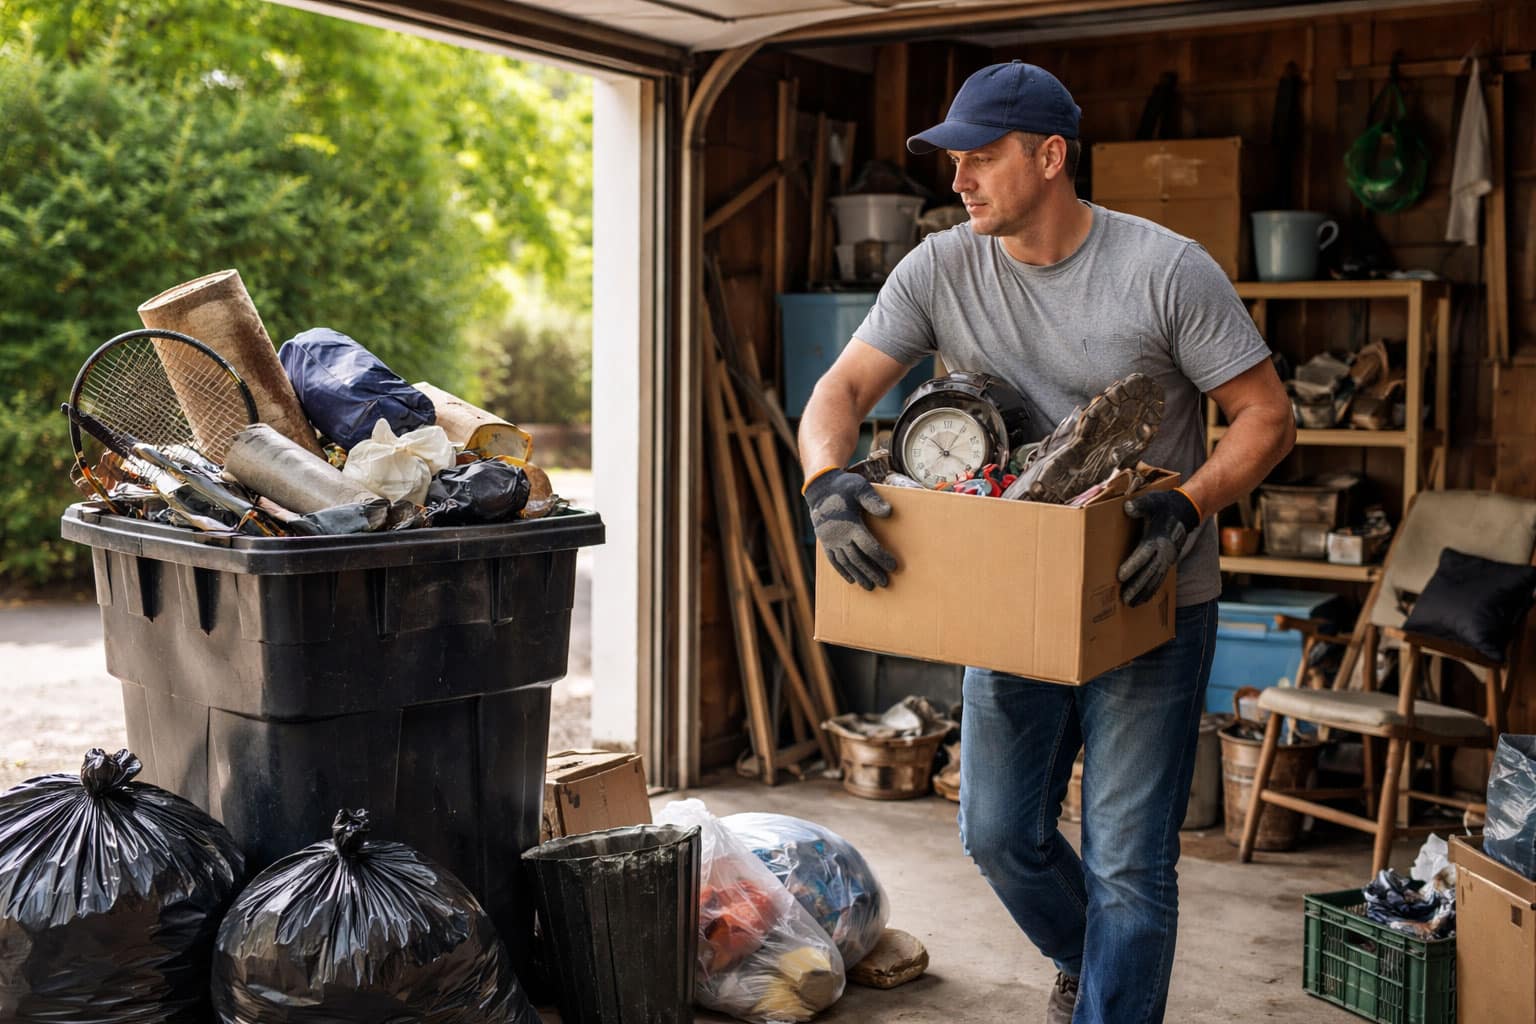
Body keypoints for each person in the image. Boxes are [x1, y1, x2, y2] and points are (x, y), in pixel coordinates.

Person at [796, 62, 1295, 1024]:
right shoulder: (941, 265)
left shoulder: (1165, 268)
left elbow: (1266, 417)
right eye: (956, 160)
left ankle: (1110, 1000)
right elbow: (842, 393)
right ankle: (1090, 959)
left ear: (1051, 155)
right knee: (995, 831)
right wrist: (826, 480)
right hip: (1014, 601)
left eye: (982, 157)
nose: (960, 179)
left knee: (1126, 862)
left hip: (1146, 599)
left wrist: (1190, 502)